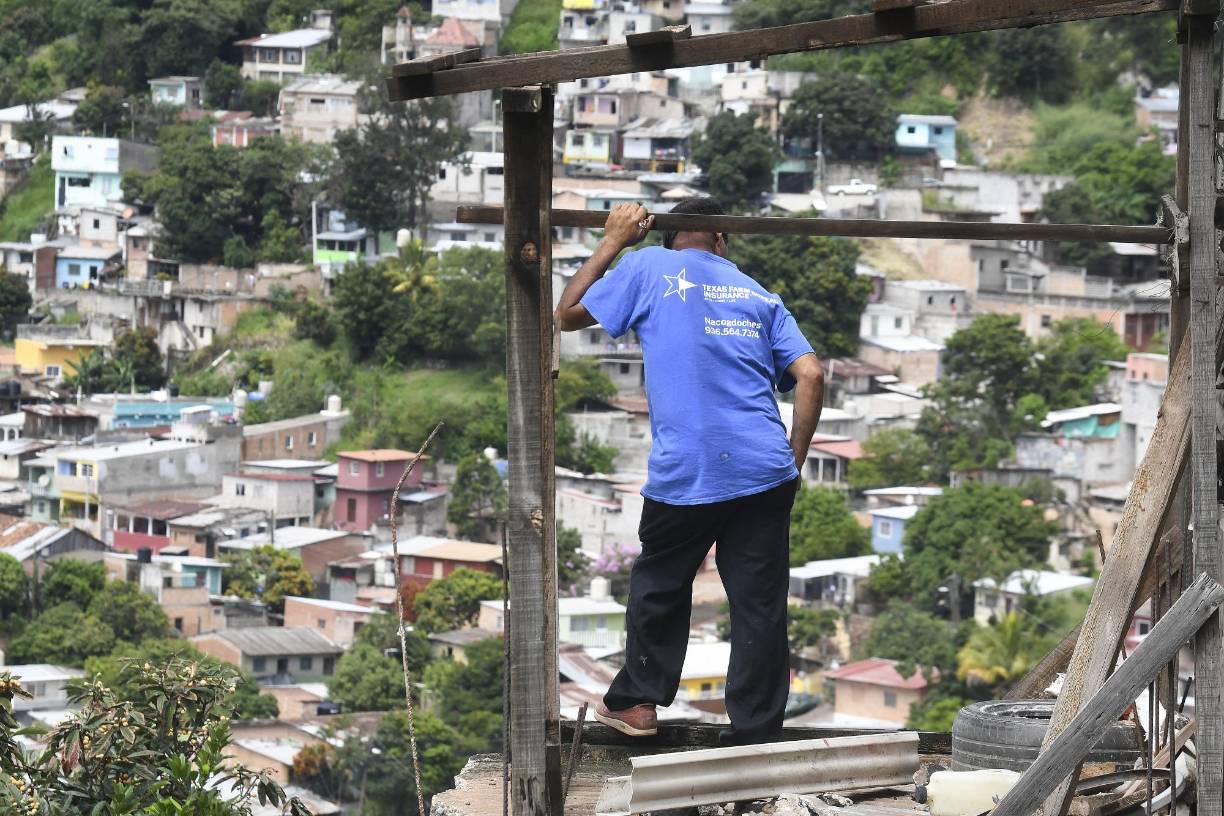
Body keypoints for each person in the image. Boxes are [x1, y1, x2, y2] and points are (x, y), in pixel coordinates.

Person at [554, 197, 825, 745]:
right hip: (765, 469)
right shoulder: (758, 293)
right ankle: (755, 731)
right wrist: (791, 463)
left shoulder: (648, 266)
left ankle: (637, 703)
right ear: (722, 240)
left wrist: (613, 240)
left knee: (661, 583)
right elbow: (812, 375)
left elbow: (566, 314)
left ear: (667, 238)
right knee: (759, 604)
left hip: (691, 467)